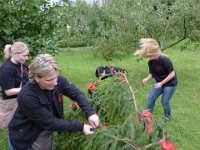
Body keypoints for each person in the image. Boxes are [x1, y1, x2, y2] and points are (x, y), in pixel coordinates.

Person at [8, 54, 99, 150]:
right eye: (50, 80)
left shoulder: (58, 81)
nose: (55, 83)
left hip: (44, 131)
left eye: (56, 77)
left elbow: (77, 94)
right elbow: (50, 122)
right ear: (36, 77)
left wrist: (90, 113)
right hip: (25, 135)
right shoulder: (27, 96)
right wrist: (81, 127)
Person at [135, 38, 178, 121]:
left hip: (170, 84)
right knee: (151, 97)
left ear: (155, 51)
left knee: (165, 102)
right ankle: (148, 113)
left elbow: (172, 73)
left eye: (150, 53)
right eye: (148, 53)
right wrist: (147, 79)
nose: (149, 55)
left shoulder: (164, 60)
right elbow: (152, 73)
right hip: (159, 83)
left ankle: (168, 117)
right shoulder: (151, 62)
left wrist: (161, 83)